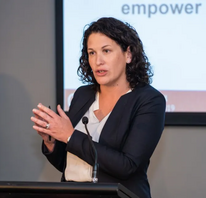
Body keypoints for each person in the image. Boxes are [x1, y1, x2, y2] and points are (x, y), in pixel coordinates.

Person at [31, 17, 165, 198]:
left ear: (128, 54)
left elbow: (128, 166)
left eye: (106, 51)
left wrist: (69, 135)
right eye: (92, 53)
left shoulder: (149, 100)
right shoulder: (82, 95)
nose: (98, 61)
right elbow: (69, 164)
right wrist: (52, 141)